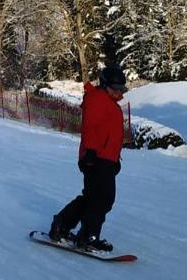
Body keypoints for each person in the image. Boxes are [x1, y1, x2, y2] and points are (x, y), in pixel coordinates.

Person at [49, 64, 128, 252]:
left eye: (121, 89)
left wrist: (115, 159)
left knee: (94, 197)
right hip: (96, 158)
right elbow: (90, 127)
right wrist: (91, 152)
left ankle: (62, 224)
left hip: (105, 158)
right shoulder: (98, 99)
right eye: (115, 88)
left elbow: (109, 133)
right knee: (102, 199)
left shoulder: (107, 101)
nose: (118, 92)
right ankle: (88, 236)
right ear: (104, 84)